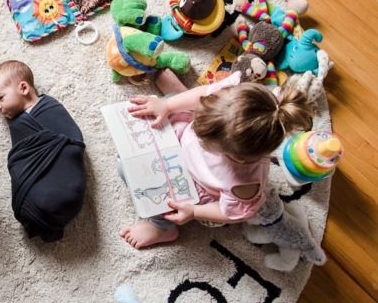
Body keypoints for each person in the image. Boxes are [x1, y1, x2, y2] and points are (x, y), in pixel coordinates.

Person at [119, 69, 313, 248]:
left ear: (235, 157)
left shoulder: (243, 183)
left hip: (197, 184)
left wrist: (193, 212)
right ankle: (178, 96)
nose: (199, 131)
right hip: (186, 135)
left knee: (138, 180)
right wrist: (168, 105)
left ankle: (161, 228)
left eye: (204, 140)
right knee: (178, 107)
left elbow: (231, 213)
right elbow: (204, 94)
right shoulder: (231, 96)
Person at [0, 60, 86, 242]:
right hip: (39, 197)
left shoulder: (49, 107)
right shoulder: (19, 125)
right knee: (34, 198)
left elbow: (72, 139)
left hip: (67, 183)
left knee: (60, 177)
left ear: (24, 88)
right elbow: (22, 158)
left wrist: (63, 147)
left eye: (0, 98)